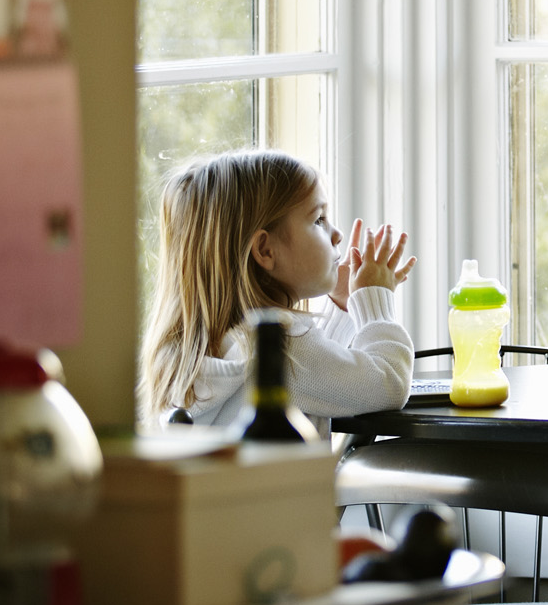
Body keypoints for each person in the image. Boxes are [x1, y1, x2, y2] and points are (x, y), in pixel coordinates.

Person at [140, 149, 417, 431]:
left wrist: (341, 305)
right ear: (265, 250)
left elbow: (319, 387)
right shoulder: (281, 348)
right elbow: (389, 383)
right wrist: (375, 303)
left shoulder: (207, 349)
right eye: (318, 219)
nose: (337, 235)